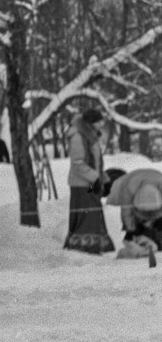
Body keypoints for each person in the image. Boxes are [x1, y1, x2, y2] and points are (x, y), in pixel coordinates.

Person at [63, 108, 114, 254]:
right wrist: (95, 177)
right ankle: (83, 247)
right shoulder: (78, 136)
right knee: (87, 214)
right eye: (99, 121)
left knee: (93, 213)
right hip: (81, 184)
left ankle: (93, 245)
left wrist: (104, 178)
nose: (102, 123)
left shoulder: (91, 136)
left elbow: (95, 162)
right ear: (91, 122)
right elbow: (78, 163)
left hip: (90, 183)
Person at [105, 168, 162, 249]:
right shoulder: (128, 191)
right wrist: (131, 228)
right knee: (133, 224)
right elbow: (126, 212)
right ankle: (135, 239)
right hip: (132, 181)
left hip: (156, 179)